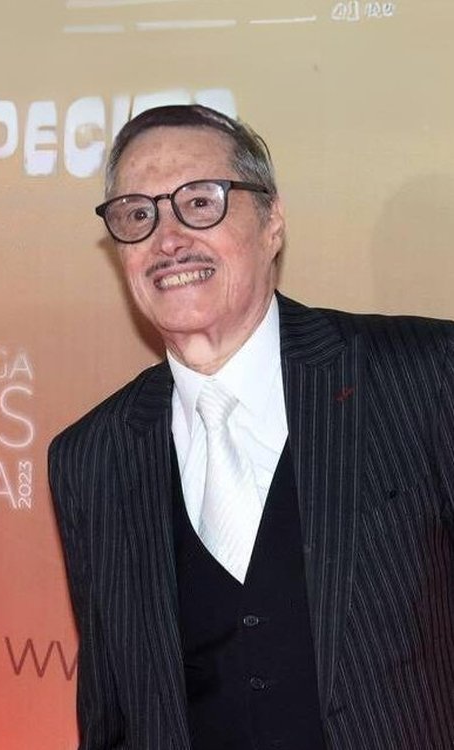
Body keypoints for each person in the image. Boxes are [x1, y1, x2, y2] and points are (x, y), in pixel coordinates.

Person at [48, 104, 454, 750]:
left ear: (272, 223)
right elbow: (112, 718)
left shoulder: (424, 376)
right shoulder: (90, 457)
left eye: (199, 202)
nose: (167, 239)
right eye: (137, 214)